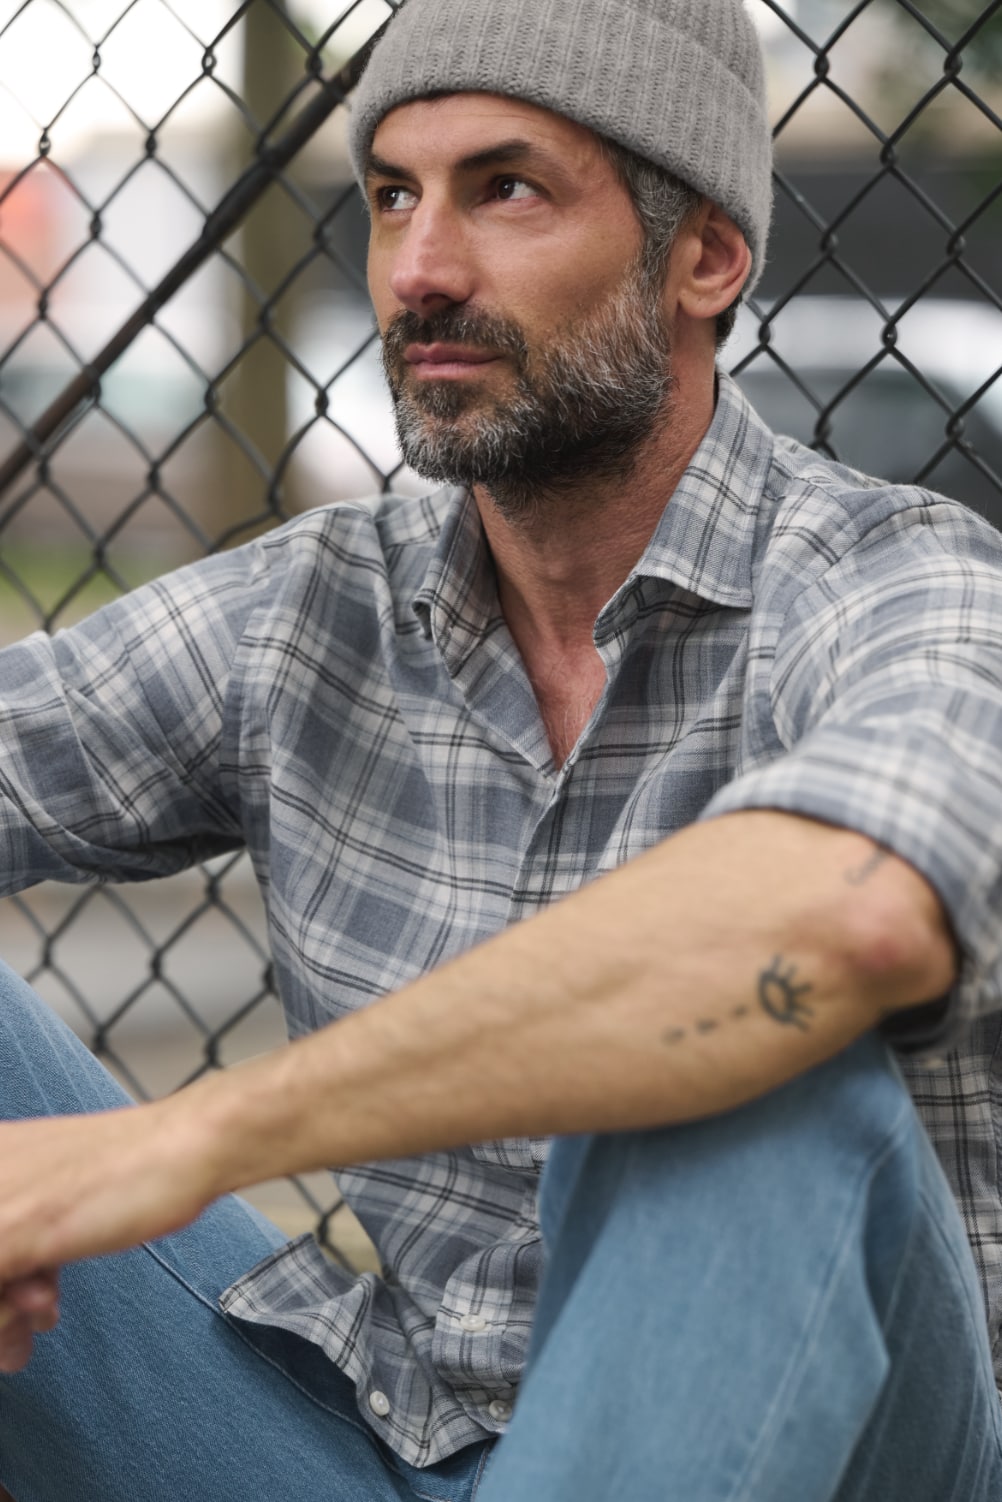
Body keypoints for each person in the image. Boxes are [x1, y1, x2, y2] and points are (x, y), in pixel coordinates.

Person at [1, 0, 1001, 1497]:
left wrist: (185, 1138)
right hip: (374, 1438)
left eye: (505, 189)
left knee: (748, 1067)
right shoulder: (314, 603)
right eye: (395, 192)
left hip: (842, 1448)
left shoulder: (901, 581)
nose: (418, 270)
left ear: (703, 258)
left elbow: (846, 915)